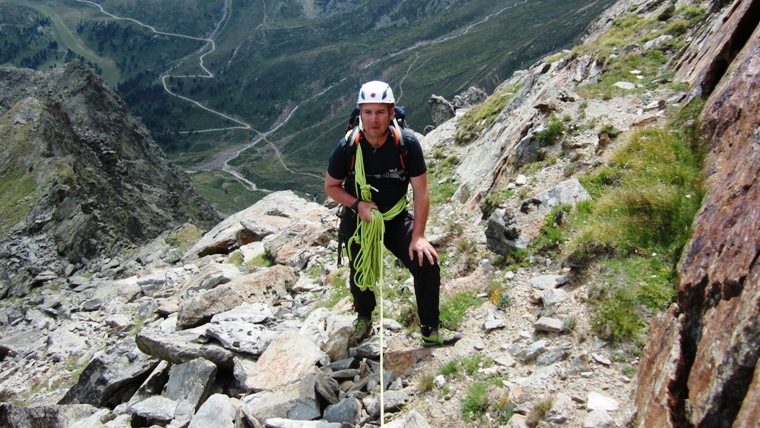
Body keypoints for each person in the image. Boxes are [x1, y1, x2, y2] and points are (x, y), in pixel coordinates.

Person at [324, 80, 461, 347]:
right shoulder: (348, 147)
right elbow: (331, 186)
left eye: (380, 112)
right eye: (368, 112)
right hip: (360, 216)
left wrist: (418, 235)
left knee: (427, 262)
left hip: (396, 216)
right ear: (360, 113)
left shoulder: (406, 144)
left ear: (391, 111)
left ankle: (430, 329)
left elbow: (421, 191)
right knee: (360, 267)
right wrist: (357, 205)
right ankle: (364, 316)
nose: (374, 119)